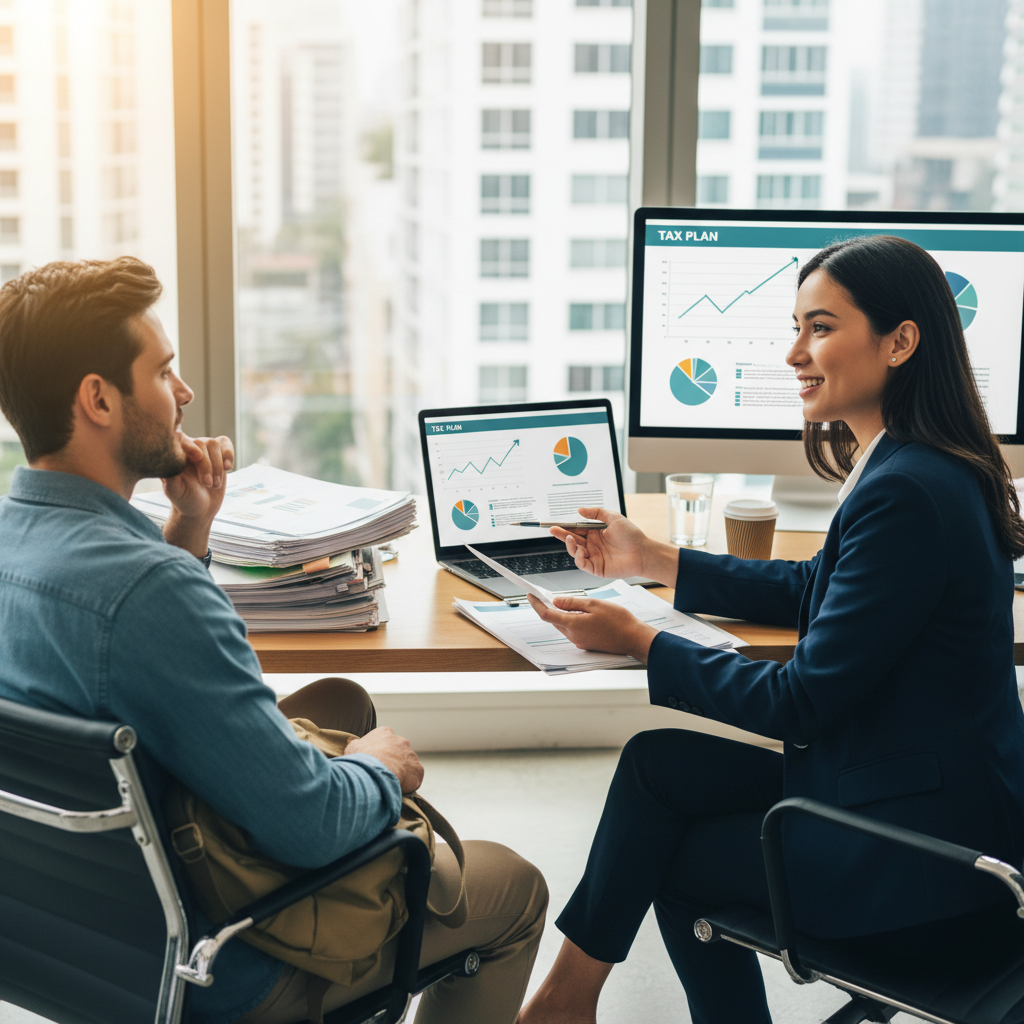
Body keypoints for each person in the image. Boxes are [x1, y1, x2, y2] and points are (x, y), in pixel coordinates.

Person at [0, 257, 547, 1024]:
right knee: (511, 886)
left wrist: (188, 533)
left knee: (339, 704)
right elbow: (312, 825)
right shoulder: (151, 592)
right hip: (211, 969)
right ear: (98, 399)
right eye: (162, 373)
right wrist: (378, 772)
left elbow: (117, 666)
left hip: (55, 948)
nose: (184, 394)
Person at [516, 235, 1024, 1024]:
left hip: (927, 869)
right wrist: (654, 558)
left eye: (819, 328)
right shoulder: (918, 465)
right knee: (658, 767)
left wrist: (642, 641)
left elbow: (800, 702)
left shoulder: (909, 492)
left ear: (900, 340)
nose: (794, 353)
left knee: (672, 859)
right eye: (796, 328)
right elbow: (815, 587)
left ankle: (562, 1002)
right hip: (912, 794)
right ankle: (566, 1000)